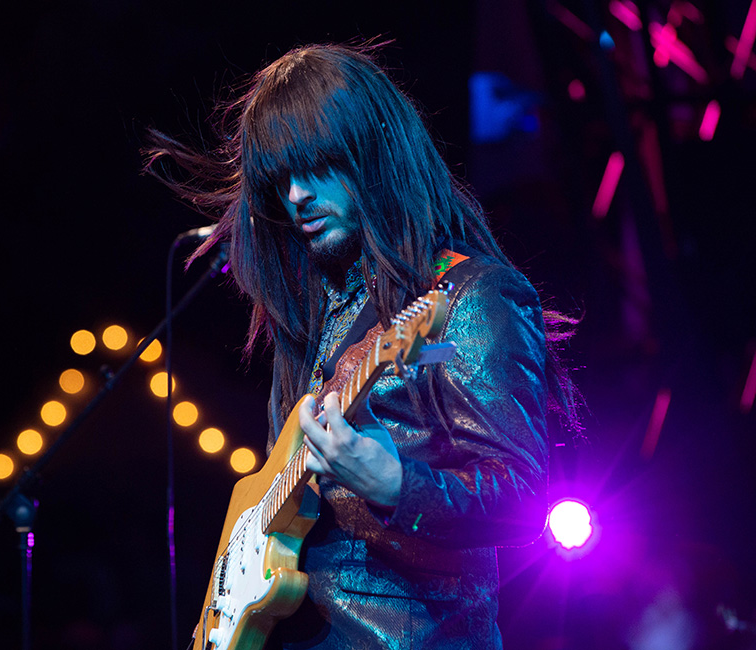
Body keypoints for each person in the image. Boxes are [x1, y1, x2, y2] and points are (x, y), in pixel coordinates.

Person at [148, 43, 580, 649]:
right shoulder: (311, 319)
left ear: (371, 154)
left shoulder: (468, 298)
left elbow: (523, 498)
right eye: (280, 179)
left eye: (314, 166)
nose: (296, 195)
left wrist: (397, 484)